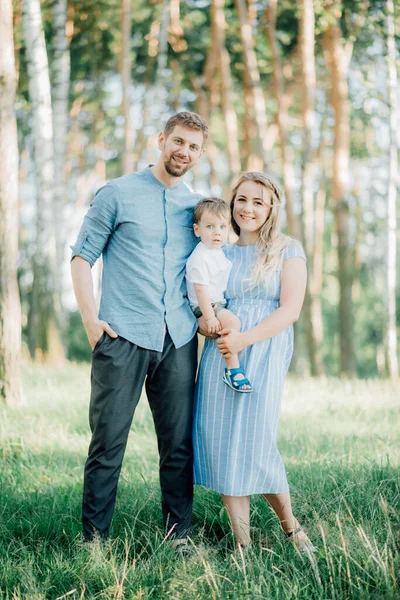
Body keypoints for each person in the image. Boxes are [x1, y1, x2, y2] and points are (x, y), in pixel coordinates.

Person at [70, 111, 208, 553]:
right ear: (161, 139)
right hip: (122, 334)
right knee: (108, 442)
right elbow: (81, 258)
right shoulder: (117, 194)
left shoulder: (198, 207)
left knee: (178, 445)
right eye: (178, 141)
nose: (183, 152)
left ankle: (178, 536)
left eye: (193, 147)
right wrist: (92, 321)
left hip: (180, 338)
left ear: (200, 154)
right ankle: (94, 541)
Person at [193, 172, 316, 554]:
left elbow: (291, 310)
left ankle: (292, 529)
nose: (248, 208)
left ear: (271, 209)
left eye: (258, 202)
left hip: (262, 349)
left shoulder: (287, 249)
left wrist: (245, 338)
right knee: (226, 443)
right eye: (241, 199)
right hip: (222, 354)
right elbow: (203, 304)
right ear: (231, 203)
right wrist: (208, 324)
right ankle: (242, 543)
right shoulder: (219, 249)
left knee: (256, 442)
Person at [185, 197, 252, 392]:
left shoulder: (217, 251)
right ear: (197, 230)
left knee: (232, 325)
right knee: (233, 323)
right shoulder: (200, 257)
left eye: (223, 227)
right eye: (210, 227)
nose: (217, 233)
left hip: (215, 303)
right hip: (205, 306)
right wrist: (209, 317)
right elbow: (200, 290)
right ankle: (233, 370)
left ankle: (232, 367)